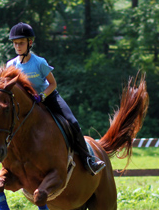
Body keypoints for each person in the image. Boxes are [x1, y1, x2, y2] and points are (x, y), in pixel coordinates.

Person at [6, 22, 105, 176]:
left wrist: (42, 96)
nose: (18, 46)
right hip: (26, 103)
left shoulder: (39, 62)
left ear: (29, 43)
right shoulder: (11, 65)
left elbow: (53, 84)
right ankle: (6, 164)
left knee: (72, 122)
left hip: (48, 97)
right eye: (15, 43)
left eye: (21, 43)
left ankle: (89, 159)